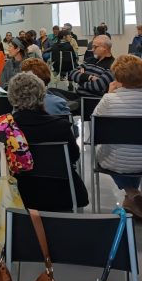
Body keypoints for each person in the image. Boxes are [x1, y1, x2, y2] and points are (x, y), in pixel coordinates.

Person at [92, 55, 142, 222]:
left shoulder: (109, 100)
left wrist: (109, 94)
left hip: (117, 161)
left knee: (119, 149)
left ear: (118, 78)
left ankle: (131, 193)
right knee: (134, 145)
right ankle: (132, 199)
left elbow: (96, 126)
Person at [6, 72, 88, 211]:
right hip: (59, 193)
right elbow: (74, 156)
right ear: (42, 95)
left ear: (12, 97)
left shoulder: (5, 128)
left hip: (18, 194)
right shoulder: (60, 127)